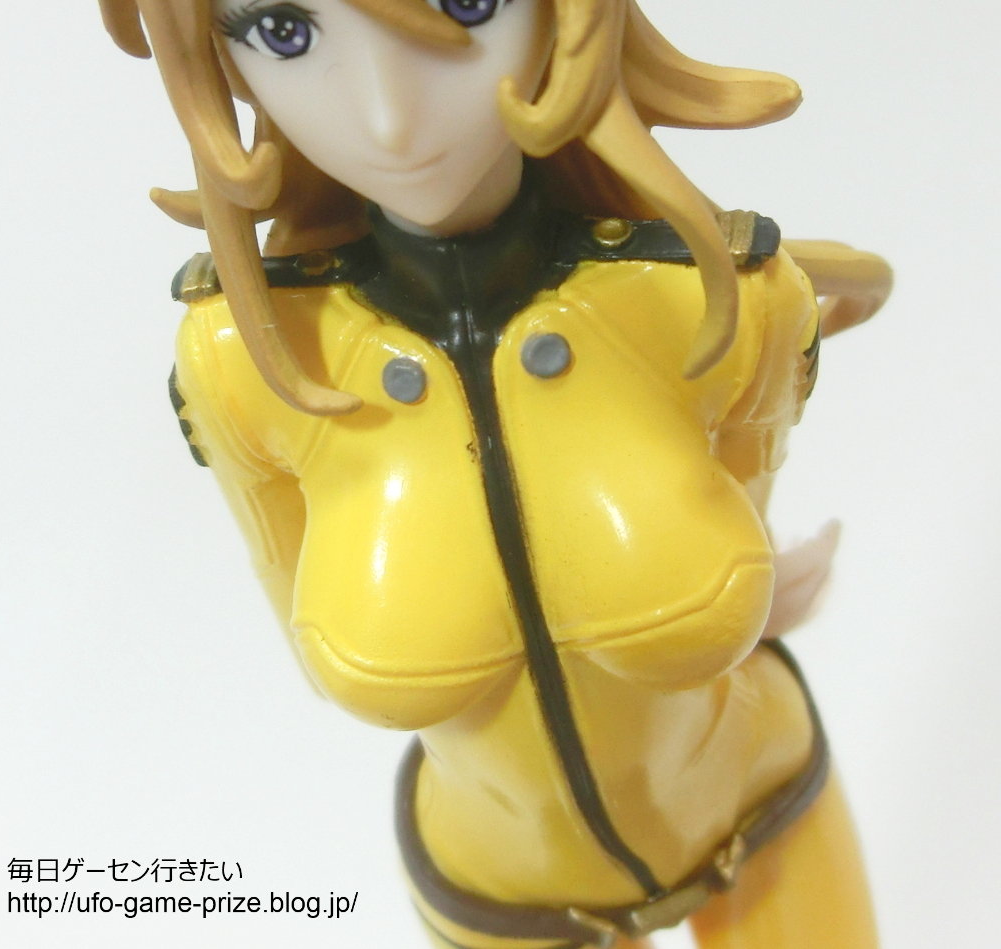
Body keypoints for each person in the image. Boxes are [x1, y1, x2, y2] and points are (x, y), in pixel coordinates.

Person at [99, 1, 891, 946]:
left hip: (764, 814)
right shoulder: (243, 363)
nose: (390, 119)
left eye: (467, 3)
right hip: (495, 898)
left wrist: (749, 591)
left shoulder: (718, 299)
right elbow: (295, 607)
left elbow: (747, 509)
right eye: (282, 31)